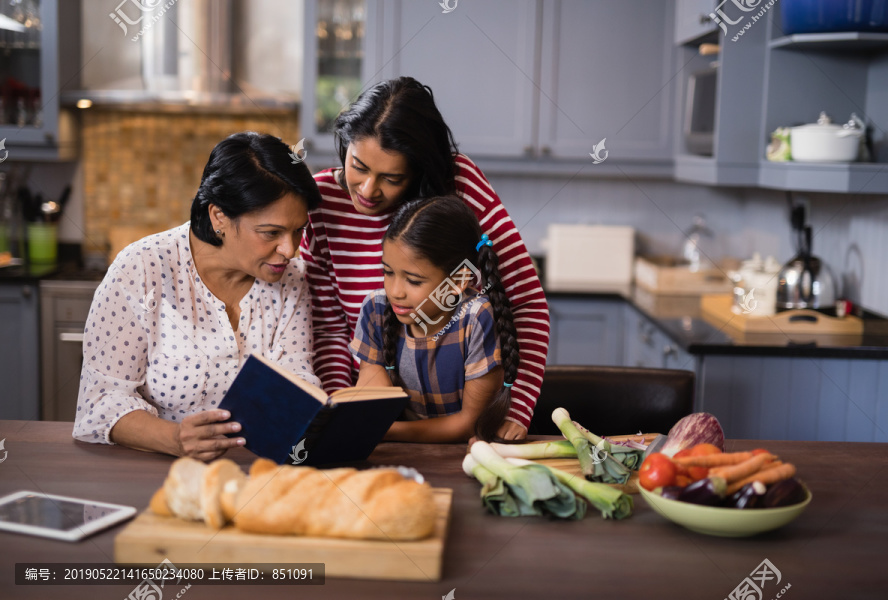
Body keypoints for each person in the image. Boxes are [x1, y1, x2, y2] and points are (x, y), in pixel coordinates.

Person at [301, 76, 549, 441]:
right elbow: (328, 327)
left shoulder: (460, 185)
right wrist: (344, 404)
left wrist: (519, 407)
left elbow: (526, 305)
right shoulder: (321, 201)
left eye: (391, 177)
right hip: (380, 420)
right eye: (359, 166)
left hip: (468, 426)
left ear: (419, 171)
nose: (368, 191)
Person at [73, 132, 323, 461]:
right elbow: (100, 402)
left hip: (257, 475)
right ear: (219, 216)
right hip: (156, 474)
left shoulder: (292, 278)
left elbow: (296, 375)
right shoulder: (141, 269)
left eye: (298, 231)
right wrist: (175, 438)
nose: (289, 250)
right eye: (271, 233)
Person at [350, 195, 517, 443]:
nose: (395, 291)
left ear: (458, 282)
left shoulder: (475, 318)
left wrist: (387, 431)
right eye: (387, 272)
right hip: (401, 453)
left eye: (414, 280)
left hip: (459, 455)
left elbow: (468, 423)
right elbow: (373, 387)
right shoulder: (375, 309)